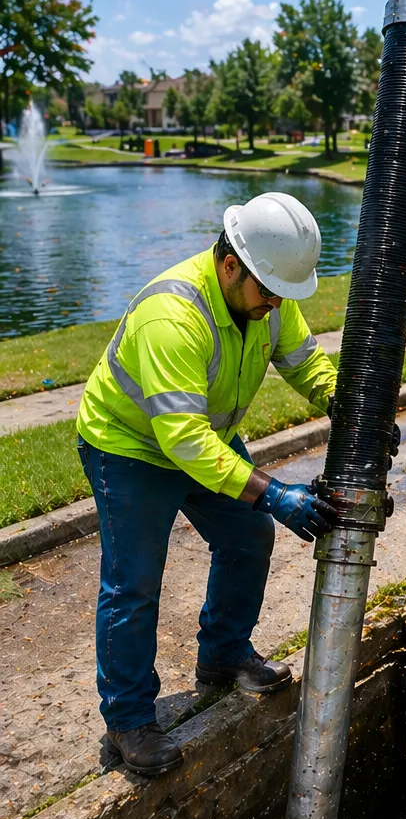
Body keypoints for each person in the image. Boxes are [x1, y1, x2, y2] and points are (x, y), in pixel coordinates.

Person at [77, 191, 340, 776]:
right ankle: (128, 722)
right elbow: (184, 442)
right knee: (134, 584)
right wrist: (272, 493)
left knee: (249, 538)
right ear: (229, 265)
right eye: (267, 292)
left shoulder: (267, 294)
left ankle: (222, 655)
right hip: (131, 449)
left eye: (282, 295)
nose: (275, 304)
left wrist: (348, 404)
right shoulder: (175, 315)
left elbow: (304, 362)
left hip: (198, 438)